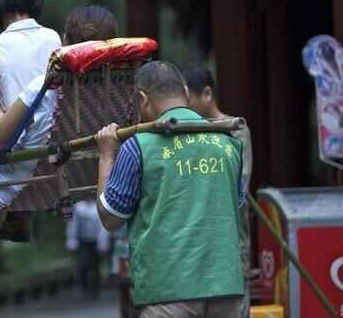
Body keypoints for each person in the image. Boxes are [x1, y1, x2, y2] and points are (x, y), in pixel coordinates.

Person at [0, 5, 117, 241]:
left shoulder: (46, 85)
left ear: (66, 41)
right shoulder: (115, 90)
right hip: (67, 179)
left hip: (13, 186)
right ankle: (18, 219)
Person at [95, 61, 245, 317]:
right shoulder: (228, 143)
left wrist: (107, 155)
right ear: (186, 93)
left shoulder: (137, 147)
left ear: (142, 100)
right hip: (227, 289)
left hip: (167, 293)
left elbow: (110, 217)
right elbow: (235, 204)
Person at [180, 62, 254, 318]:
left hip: (230, 239)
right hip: (194, 243)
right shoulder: (184, 131)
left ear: (207, 94)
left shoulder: (236, 129)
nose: (182, 106)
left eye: (187, 99)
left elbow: (239, 180)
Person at [65, 198, 111, 297]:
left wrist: (103, 241)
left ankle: (96, 288)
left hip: (96, 240)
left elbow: (103, 225)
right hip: (83, 241)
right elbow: (73, 224)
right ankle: (84, 286)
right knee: (84, 264)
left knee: (96, 265)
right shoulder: (78, 207)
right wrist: (71, 239)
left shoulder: (99, 206)